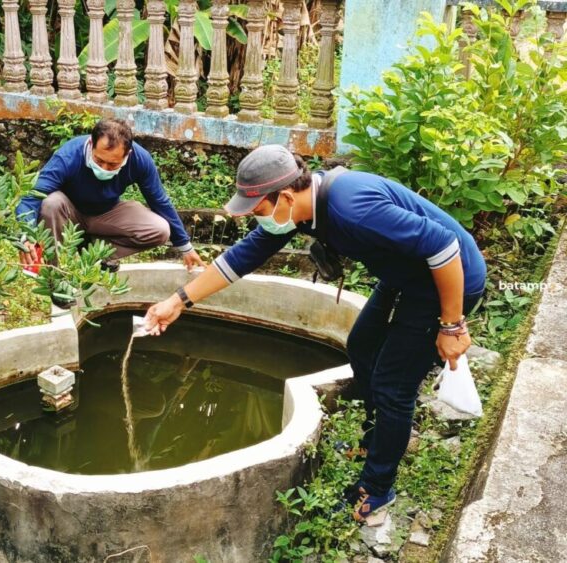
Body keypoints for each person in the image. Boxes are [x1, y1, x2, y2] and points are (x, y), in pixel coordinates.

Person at [143, 144, 486, 523]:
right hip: (403, 276)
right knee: (362, 347)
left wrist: (451, 324)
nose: (259, 220)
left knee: (394, 384)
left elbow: (443, 246)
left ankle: (377, 489)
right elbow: (242, 257)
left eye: (259, 210)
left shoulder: (352, 208)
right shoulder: (302, 210)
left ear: (285, 195)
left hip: (446, 281)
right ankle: (374, 442)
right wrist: (178, 301)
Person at [16, 118, 205, 279]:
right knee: (50, 202)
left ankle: (94, 252)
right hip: (69, 212)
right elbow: (32, 196)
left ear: (127, 155)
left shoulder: (139, 159)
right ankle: (55, 275)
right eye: (99, 161)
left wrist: (185, 247)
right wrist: (26, 236)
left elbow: (159, 201)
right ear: (91, 144)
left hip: (106, 212)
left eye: (113, 164)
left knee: (160, 229)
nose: (105, 168)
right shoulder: (69, 156)